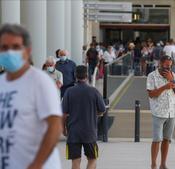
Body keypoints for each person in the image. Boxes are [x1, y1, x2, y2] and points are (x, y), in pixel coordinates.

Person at [0, 24, 63, 169]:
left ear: (27, 50)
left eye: (16, 47)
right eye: (4, 47)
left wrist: (37, 164)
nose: (9, 52)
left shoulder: (40, 82)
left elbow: (54, 126)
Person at [62, 65, 106, 169]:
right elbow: (102, 110)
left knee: (75, 161)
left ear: (75, 75)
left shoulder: (69, 92)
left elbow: (63, 113)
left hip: (73, 132)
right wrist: (93, 113)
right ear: (87, 75)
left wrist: (63, 128)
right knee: (92, 159)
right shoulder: (94, 91)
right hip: (89, 132)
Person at [147, 55, 175, 169]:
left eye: (170, 66)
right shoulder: (152, 76)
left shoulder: (172, 75)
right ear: (160, 64)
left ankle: (163, 164)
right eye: (166, 65)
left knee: (167, 139)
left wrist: (172, 79)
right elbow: (151, 94)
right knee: (157, 139)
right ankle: (153, 164)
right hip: (158, 112)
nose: (168, 68)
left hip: (172, 112)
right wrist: (165, 87)